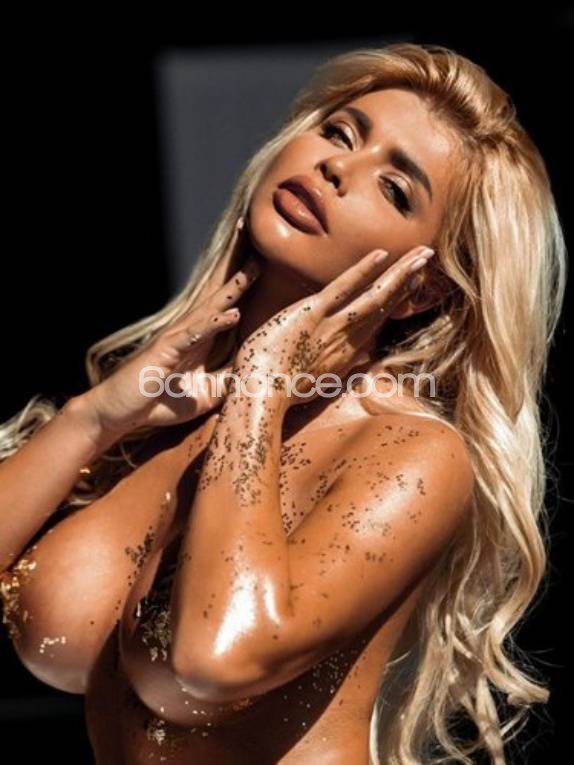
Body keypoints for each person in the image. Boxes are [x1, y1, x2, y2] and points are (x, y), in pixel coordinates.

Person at [0, 41, 566, 764]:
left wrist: (262, 387)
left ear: (421, 289)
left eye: (396, 189)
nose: (337, 167)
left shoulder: (414, 452)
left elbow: (214, 658)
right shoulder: (166, 405)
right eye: (340, 133)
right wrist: (96, 417)